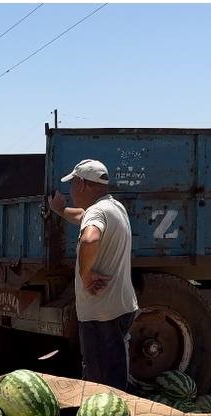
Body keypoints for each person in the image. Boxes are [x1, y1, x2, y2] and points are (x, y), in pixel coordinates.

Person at [48, 159, 139, 390]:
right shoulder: (113, 207)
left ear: (81, 184)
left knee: (101, 386)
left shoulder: (97, 213)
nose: (71, 191)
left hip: (101, 314)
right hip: (119, 307)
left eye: (72, 185)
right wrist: (59, 210)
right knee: (115, 373)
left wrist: (85, 274)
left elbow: (90, 237)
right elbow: (82, 217)